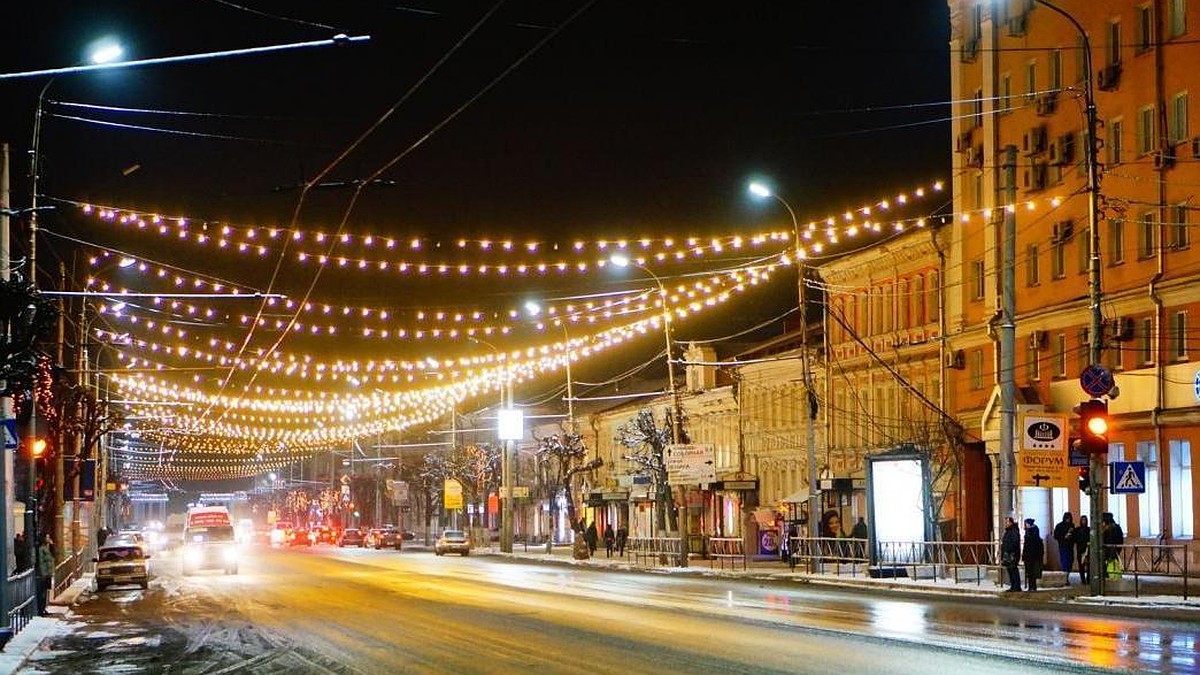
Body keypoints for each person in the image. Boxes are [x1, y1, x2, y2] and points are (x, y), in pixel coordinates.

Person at [1022, 518, 1044, 592]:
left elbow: (1030, 544)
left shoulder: (1032, 533)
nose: (1025, 525)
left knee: (1032, 572)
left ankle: (1032, 587)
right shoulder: (1030, 532)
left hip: (1032, 556)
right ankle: (1031, 586)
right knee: (1030, 572)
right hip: (1029, 555)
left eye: (1026, 523)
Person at [1000, 516, 1021, 592]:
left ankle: (1016, 586)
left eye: (1007, 522)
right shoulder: (1008, 531)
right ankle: (1013, 586)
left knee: (1013, 569)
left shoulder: (1013, 531)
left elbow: (1014, 542)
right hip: (1008, 553)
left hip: (1012, 554)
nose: (1005, 523)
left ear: (1011, 522)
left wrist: (1009, 550)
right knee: (1010, 570)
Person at [1101, 512, 1124, 578]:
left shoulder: (1108, 529)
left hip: (1109, 550)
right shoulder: (1117, 527)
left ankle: (1110, 576)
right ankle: (1113, 576)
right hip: (1114, 550)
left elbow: (1104, 539)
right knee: (1114, 564)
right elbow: (1121, 540)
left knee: (1109, 565)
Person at [1052, 512, 1075, 581]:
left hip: (1070, 546)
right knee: (1065, 562)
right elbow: (1056, 536)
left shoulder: (1072, 525)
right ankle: (1065, 578)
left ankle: (1067, 575)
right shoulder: (1059, 526)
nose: (1068, 520)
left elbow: (1074, 535)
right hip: (1063, 545)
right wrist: (1064, 537)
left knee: (1070, 561)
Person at [36, 534, 55, 615]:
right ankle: (41, 609)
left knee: (46, 591)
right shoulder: (41, 549)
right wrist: (43, 573)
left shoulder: (48, 547)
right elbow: (41, 562)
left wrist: (52, 545)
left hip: (48, 572)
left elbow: (54, 554)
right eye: (47, 537)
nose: (49, 538)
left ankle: (44, 608)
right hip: (44, 573)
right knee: (42, 592)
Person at [1072, 515, 1091, 586]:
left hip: (1088, 550)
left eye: (1085, 520)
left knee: (1089, 565)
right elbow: (1075, 539)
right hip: (1080, 550)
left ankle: (1088, 578)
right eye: (1082, 520)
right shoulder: (1077, 530)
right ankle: (1083, 579)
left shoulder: (1089, 529)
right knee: (1081, 565)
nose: (1084, 522)